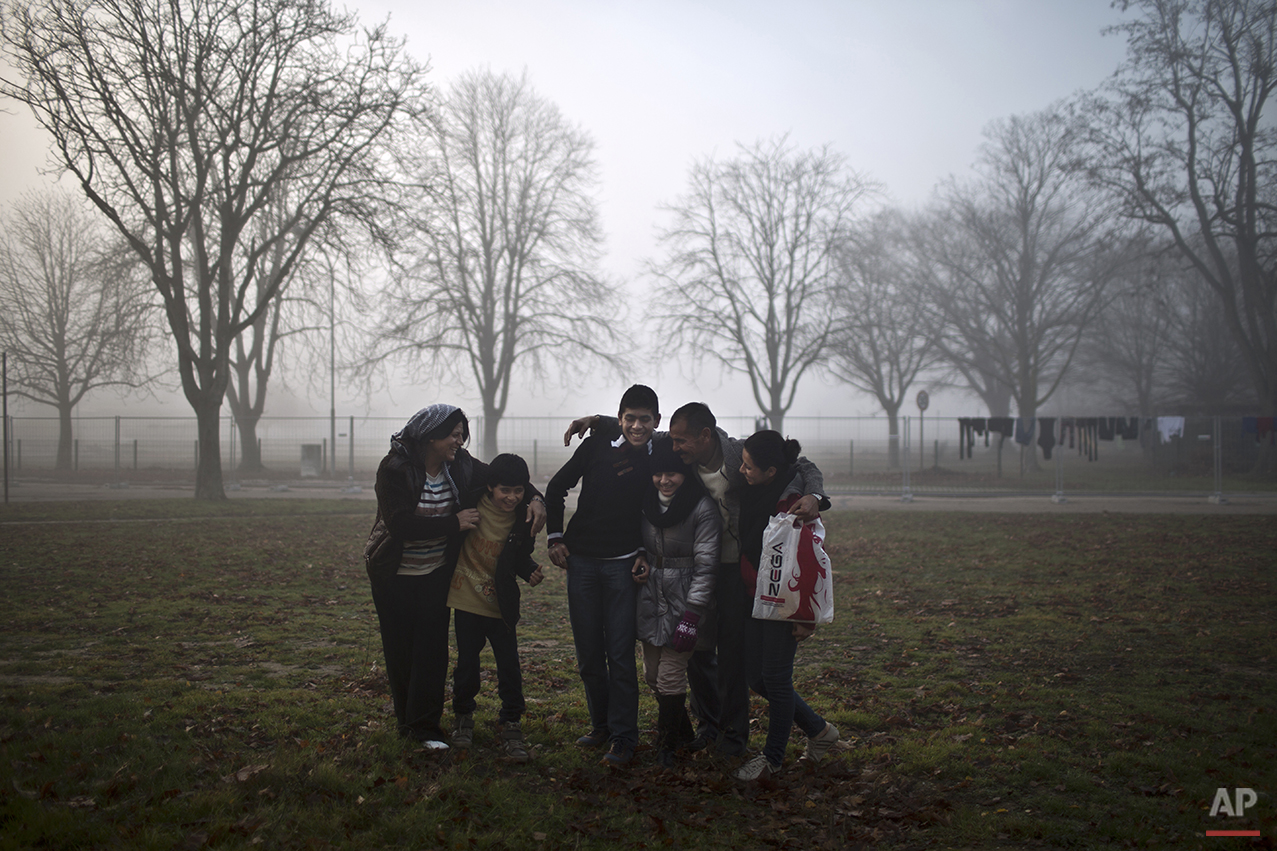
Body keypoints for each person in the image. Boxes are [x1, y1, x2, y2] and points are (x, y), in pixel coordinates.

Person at [364, 404, 546, 750]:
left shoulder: (460, 465)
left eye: (462, 434)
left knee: (432, 653)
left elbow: (504, 475)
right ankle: (407, 723)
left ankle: (426, 728)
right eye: (454, 434)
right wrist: (452, 523)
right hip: (393, 575)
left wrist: (536, 498)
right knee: (401, 652)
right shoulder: (394, 469)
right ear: (430, 436)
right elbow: (398, 522)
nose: (460, 441)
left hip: (435, 574)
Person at [545, 384, 660, 766]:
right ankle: (602, 726)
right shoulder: (597, 445)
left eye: (645, 419)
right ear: (621, 417)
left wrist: (644, 551)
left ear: (656, 422)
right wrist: (555, 537)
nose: (637, 426)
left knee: (621, 656)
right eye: (630, 418)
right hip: (581, 562)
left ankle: (625, 737)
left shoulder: (658, 455)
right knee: (589, 654)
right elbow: (557, 487)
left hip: (623, 565)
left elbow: (652, 511)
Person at [732, 430, 838, 781]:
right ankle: (820, 731)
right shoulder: (754, 484)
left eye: (749, 467)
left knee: (776, 680)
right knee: (757, 678)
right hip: (752, 597)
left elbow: (808, 560)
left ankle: (772, 759)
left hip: (783, 602)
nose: (742, 470)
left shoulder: (791, 503)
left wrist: (805, 616)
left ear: (771, 472)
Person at [447, 453, 545, 764]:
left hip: (500, 604)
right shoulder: (470, 502)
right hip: (466, 600)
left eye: (519, 491)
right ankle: (463, 717)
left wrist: (527, 568)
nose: (512, 497)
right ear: (490, 486)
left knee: (509, 666)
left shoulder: (522, 518)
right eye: (505, 490)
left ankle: (512, 722)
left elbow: (518, 556)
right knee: (466, 664)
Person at [632, 438, 721, 769]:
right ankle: (682, 732)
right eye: (659, 474)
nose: (665, 481)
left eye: (672, 474)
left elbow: (707, 566)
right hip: (650, 598)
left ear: (684, 474)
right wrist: (641, 556)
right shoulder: (645, 503)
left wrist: (692, 615)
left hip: (686, 603)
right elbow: (636, 540)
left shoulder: (702, 508)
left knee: (671, 676)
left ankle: (667, 745)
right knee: (652, 676)